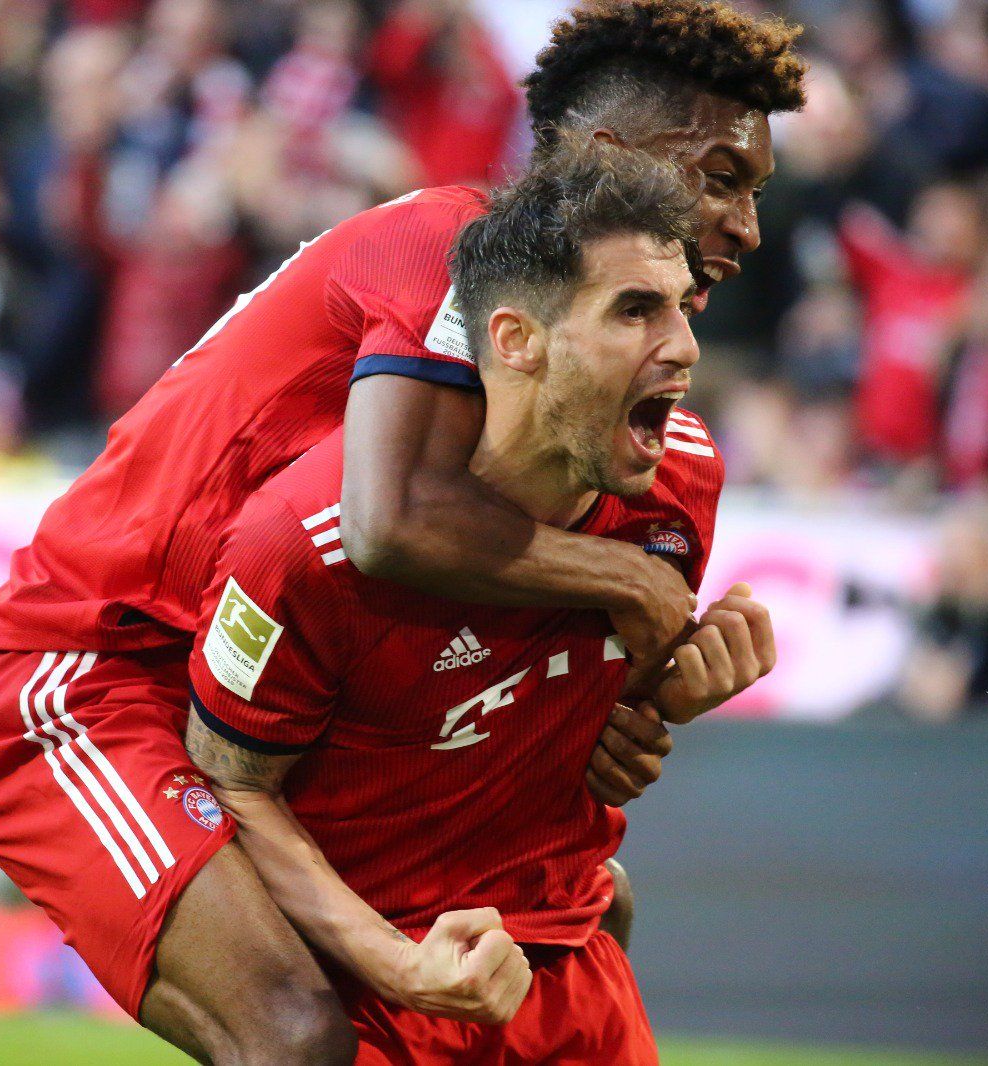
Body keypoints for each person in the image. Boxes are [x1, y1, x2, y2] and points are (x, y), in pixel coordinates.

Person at [0, 1, 805, 1060]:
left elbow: (465, 594)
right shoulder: (447, 245)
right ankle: (110, 843)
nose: (748, 226)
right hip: (93, 668)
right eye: (720, 178)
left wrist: (632, 702)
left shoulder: (614, 397)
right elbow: (387, 523)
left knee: (570, 926)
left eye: (753, 190)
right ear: (609, 156)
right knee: (296, 1033)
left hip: (250, 659)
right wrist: (633, 588)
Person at [185, 139, 776, 1064]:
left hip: (576, 974)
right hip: (383, 993)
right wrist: (398, 963)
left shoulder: (682, 477)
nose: (686, 347)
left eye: (680, 308)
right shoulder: (302, 543)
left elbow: (580, 720)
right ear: (515, 340)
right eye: (634, 311)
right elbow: (232, 786)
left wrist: (670, 691)